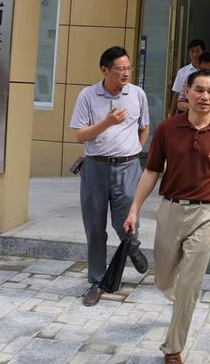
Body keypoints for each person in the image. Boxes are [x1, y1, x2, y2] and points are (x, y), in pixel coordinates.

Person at [124, 69, 210, 364]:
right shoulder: (167, 128)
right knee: (163, 279)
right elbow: (152, 171)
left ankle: (173, 348)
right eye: (199, 89)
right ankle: (179, 301)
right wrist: (135, 208)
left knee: (189, 283)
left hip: (206, 212)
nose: (205, 96)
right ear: (186, 92)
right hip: (171, 210)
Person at [69, 46, 150, 306]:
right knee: (94, 227)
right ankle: (97, 280)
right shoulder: (87, 95)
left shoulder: (137, 94)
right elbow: (79, 135)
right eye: (120, 69)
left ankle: (132, 246)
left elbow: (144, 128)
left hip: (128, 167)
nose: (126, 73)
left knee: (125, 222)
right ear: (104, 70)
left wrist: (132, 152)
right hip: (95, 167)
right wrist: (107, 123)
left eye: (128, 68)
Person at [169, 39, 205, 117]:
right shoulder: (182, 72)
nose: (195, 54)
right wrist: (171, 115)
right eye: (192, 51)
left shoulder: (209, 71)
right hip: (184, 112)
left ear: (204, 52)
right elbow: (176, 94)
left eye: (198, 51)